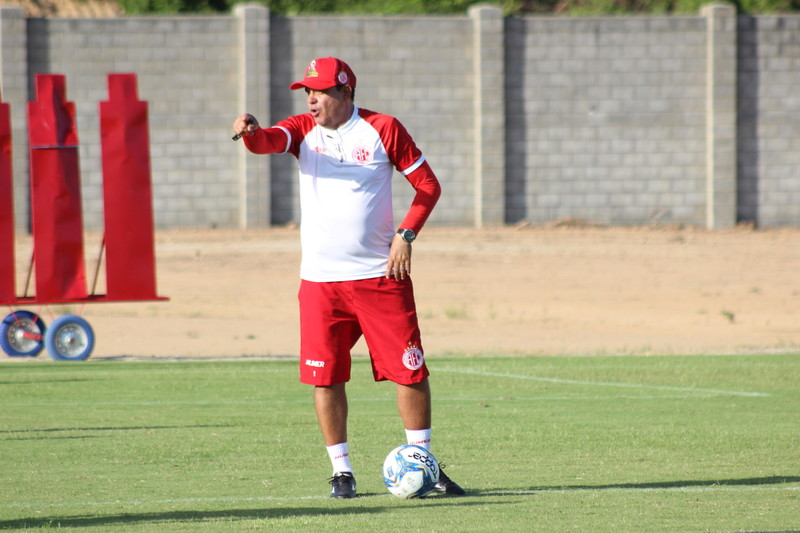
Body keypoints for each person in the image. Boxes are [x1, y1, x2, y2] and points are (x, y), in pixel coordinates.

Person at [232, 57, 465, 499]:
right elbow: (267, 142)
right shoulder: (303, 129)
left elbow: (428, 186)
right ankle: (342, 472)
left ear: (345, 92)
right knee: (326, 377)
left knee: (410, 372)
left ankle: (425, 466)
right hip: (321, 282)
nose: (311, 99)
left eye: (319, 91)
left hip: (380, 276)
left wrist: (405, 234)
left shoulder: (384, 128)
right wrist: (251, 131)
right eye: (307, 91)